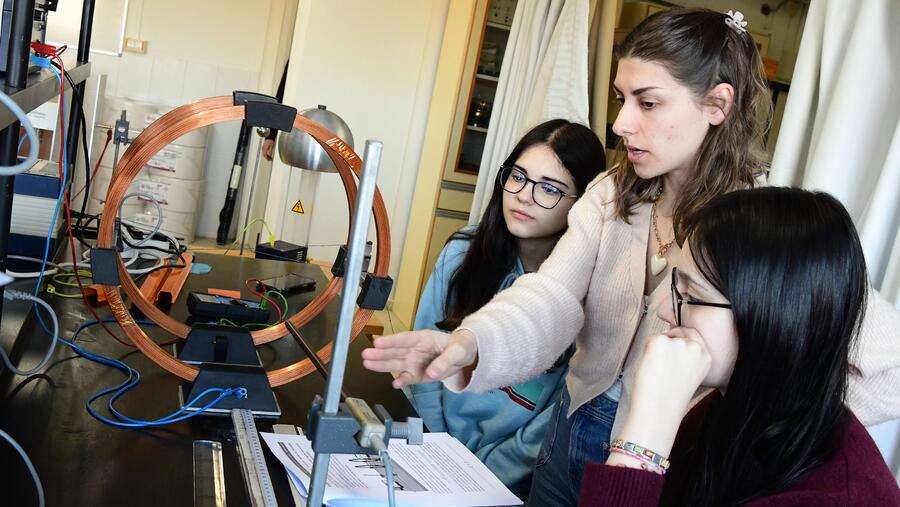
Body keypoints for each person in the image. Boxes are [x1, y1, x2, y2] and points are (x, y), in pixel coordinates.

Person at [363, 8, 900, 506]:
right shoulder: (611, 194)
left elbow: (888, 369)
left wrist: (753, 414)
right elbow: (552, 296)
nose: (620, 124)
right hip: (569, 428)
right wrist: (473, 342)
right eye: (622, 99)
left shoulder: (760, 230)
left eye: (647, 103)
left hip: (665, 455)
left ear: (717, 105)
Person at [580, 187, 900, 506]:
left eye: (692, 295)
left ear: (773, 317)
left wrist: (645, 434)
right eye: (679, 286)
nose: (666, 310)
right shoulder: (726, 407)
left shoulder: (833, 497)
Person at [409, 119, 606, 495]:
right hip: (429, 451)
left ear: (583, 206)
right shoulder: (462, 254)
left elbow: (548, 426)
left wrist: (476, 479)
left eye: (549, 188)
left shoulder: (587, 300)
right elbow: (425, 357)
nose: (524, 196)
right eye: (518, 176)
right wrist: (433, 445)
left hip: (501, 481)